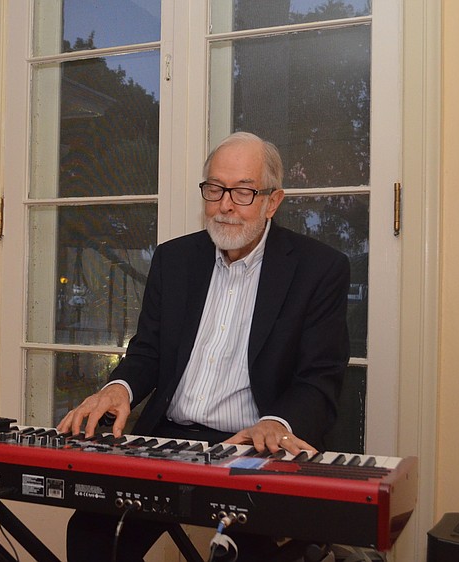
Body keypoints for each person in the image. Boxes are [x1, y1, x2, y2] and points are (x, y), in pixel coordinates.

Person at [56, 131, 351, 562]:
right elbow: (148, 352)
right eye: (215, 189)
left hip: (251, 447)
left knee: (249, 551)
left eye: (243, 191)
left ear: (273, 201)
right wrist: (118, 387)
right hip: (168, 440)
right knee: (94, 531)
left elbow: (319, 378)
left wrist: (275, 422)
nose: (225, 204)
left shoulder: (318, 269)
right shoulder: (174, 260)